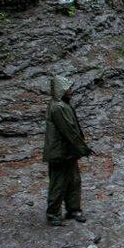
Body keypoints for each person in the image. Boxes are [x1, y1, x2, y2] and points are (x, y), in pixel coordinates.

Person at [43, 75, 93, 226]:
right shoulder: (58, 107)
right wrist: (83, 148)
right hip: (59, 152)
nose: (70, 90)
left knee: (74, 180)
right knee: (58, 182)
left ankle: (73, 209)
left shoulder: (63, 105)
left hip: (69, 152)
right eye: (68, 88)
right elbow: (69, 130)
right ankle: (52, 213)